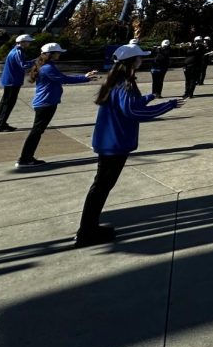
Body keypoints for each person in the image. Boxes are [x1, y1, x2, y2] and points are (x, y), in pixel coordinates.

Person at [75, 44, 182, 247]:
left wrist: (149, 97)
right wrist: (167, 106)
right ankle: (86, 231)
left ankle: (89, 228)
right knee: (101, 187)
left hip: (109, 141)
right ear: (132, 61)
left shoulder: (117, 81)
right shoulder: (125, 84)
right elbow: (133, 112)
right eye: (140, 58)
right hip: (115, 143)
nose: (142, 60)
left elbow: (130, 104)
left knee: (101, 186)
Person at [15, 43, 97, 168]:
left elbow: (62, 78)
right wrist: (85, 78)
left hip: (46, 102)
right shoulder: (47, 67)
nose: (60, 54)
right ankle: (24, 159)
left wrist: (84, 76)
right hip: (45, 103)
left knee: (37, 131)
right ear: (50, 54)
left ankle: (26, 157)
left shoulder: (45, 65)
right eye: (58, 52)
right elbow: (63, 79)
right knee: (36, 131)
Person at [0, 34, 36, 132]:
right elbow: (23, 65)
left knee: (4, 103)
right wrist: (36, 61)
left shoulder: (14, 50)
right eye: (28, 42)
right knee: (8, 103)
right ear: (23, 42)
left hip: (9, 80)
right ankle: (1, 125)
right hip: (13, 81)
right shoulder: (18, 52)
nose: (29, 44)